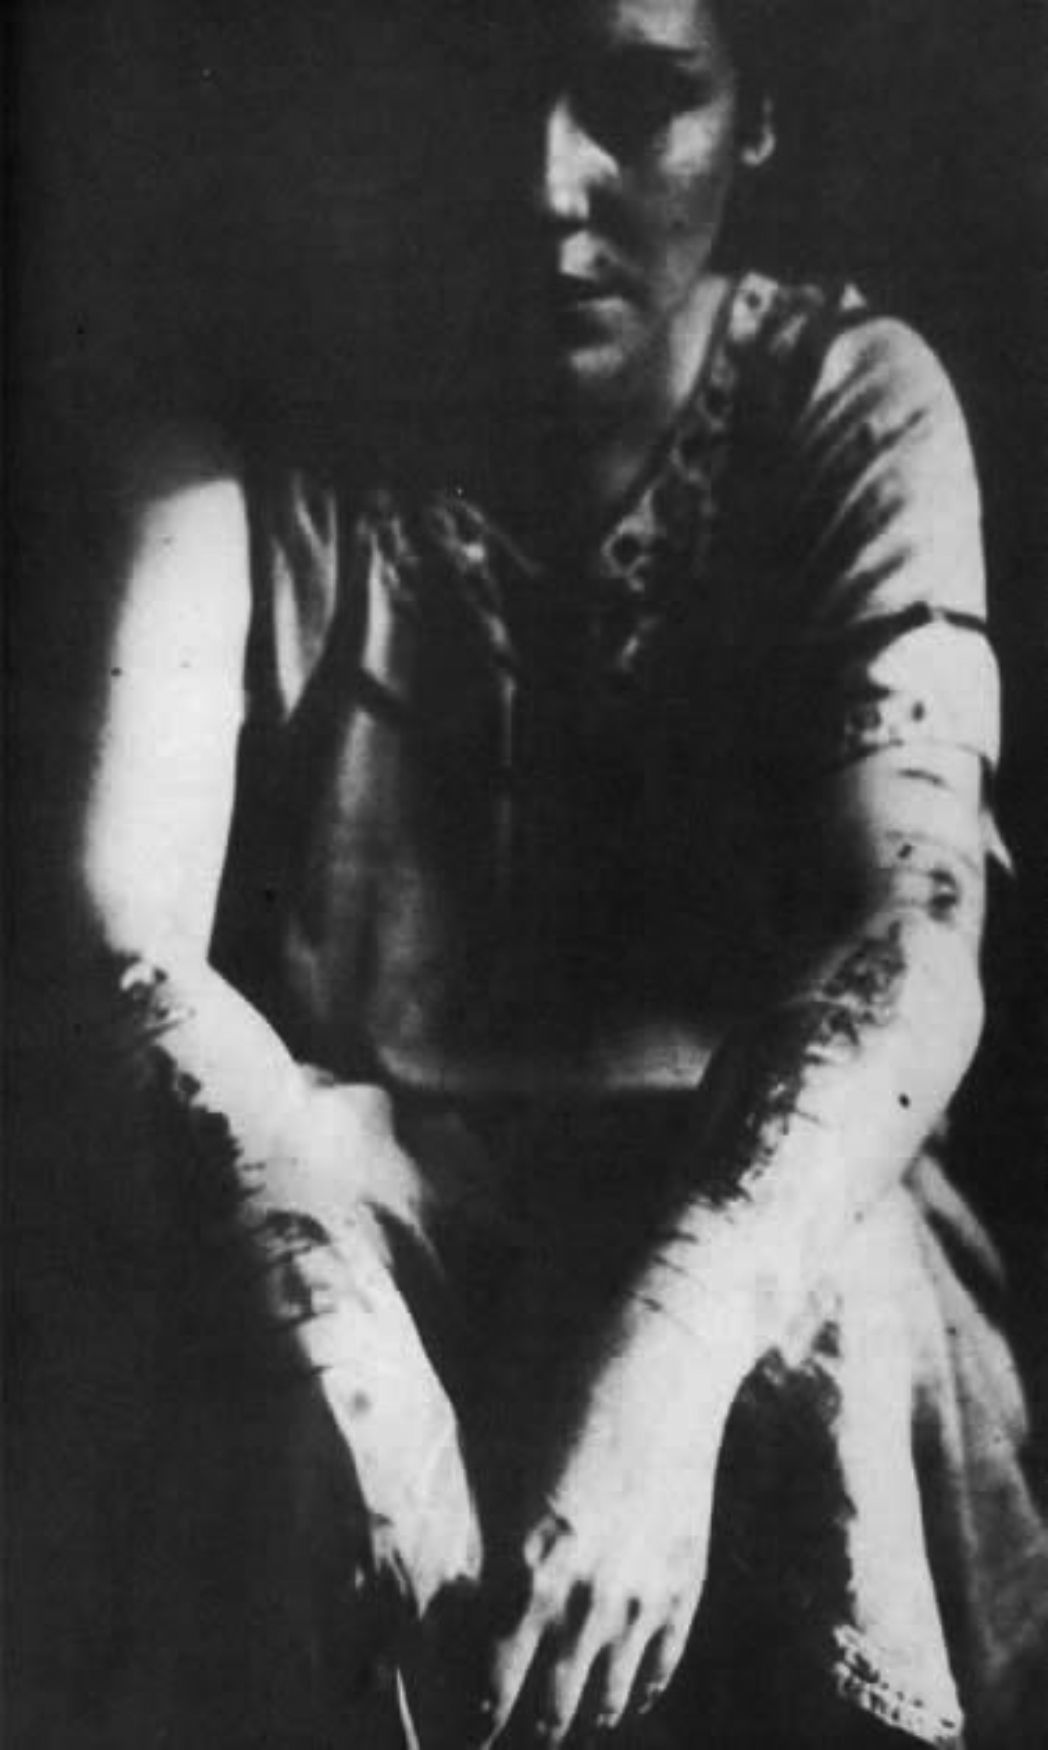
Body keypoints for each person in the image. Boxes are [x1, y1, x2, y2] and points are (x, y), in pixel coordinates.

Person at [16, 1, 1048, 1746]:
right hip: (357, 1185)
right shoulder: (251, 415)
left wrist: (674, 1350)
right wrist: (333, 1320)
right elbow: (119, 932)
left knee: (846, 1298)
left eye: (641, 101)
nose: (546, 185)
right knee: (218, 1383)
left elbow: (915, 929)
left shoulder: (850, 402)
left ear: (759, 118)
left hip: (770, 1216)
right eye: (490, 90)